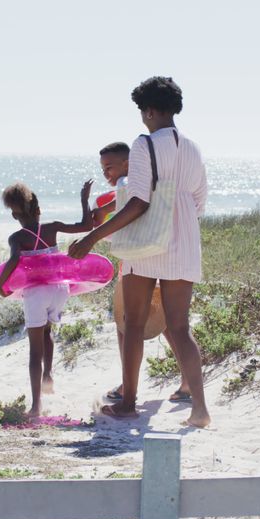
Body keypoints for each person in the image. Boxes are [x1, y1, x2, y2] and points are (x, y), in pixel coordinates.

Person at [70, 76, 211, 428]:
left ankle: (129, 404)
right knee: (179, 326)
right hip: (184, 239)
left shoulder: (144, 145)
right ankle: (200, 410)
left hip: (147, 242)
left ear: (149, 110)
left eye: (141, 111)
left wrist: (92, 238)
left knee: (133, 324)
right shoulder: (193, 147)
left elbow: (137, 201)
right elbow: (199, 202)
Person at [93, 142, 191, 404]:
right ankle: (188, 382)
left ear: (127, 164)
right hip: (159, 259)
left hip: (137, 266)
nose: (107, 174)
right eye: (103, 169)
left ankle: (128, 388)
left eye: (109, 167)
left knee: (127, 327)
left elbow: (125, 213)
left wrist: (99, 218)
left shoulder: (127, 183)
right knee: (170, 323)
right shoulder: (143, 182)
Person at [0, 180, 94, 417]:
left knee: (34, 351)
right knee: (47, 331)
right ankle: (48, 374)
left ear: (14, 215)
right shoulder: (52, 227)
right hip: (60, 289)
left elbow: (13, 261)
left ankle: (36, 406)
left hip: (36, 293)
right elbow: (86, 226)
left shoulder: (16, 238)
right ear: (38, 210)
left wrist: (0, 286)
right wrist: (83, 199)